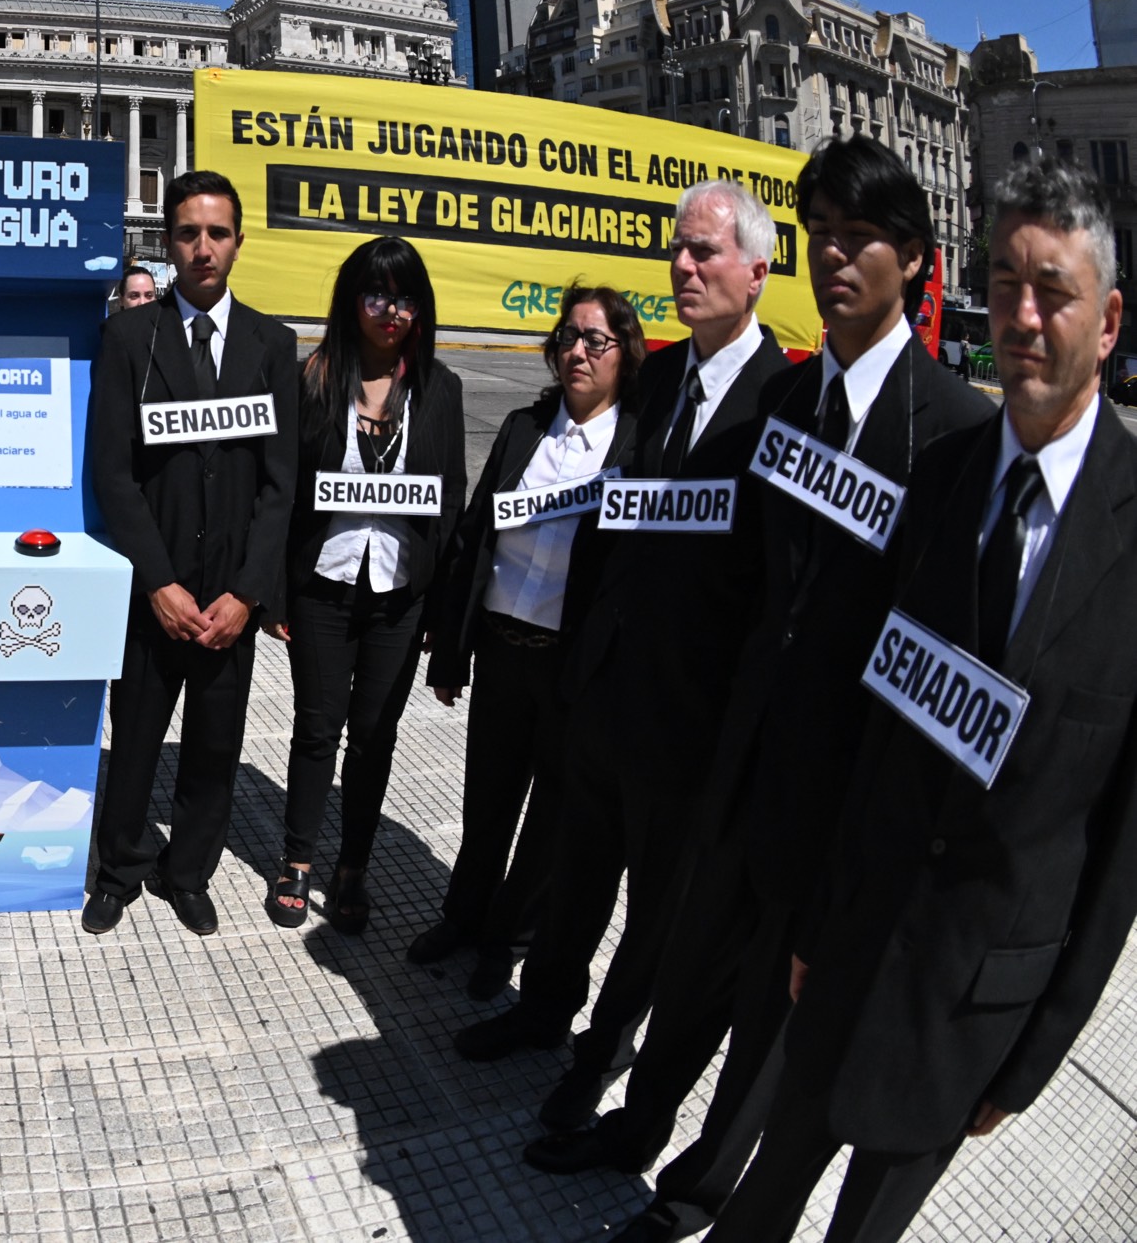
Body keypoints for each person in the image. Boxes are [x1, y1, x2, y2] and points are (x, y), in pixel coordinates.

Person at [529, 139, 995, 1233]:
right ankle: (636, 1120)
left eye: (861, 234)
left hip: (836, 793)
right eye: (820, 230)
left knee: (768, 1017)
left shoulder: (954, 431)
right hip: (735, 758)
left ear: (914, 258)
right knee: (688, 964)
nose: (835, 254)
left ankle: (699, 1185)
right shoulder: (787, 402)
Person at [696, 159, 1137, 1241]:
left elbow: (1121, 843)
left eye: (1053, 290)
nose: (1023, 318)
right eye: (1004, 281)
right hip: (845, 941)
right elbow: (869, 729)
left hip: (972, 1001)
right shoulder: (938, 476)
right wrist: (814, 913)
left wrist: (1031, 1052)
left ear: (1109, 317)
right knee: (762, 1195)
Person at [456, 180, 788, 1133]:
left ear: (757, 271)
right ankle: (541, 1010)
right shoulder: (659, 382)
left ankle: (599, 1061)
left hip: (692, 718)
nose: (683, 267)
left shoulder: (785, 399)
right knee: (572, 879)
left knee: (654, 917)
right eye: (677, 251)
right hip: (603, 693)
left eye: (705, 253)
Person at [411, 284, 643, 997]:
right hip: (506, 648)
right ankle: (464, 914)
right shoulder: (522, 427)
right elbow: (476, 535)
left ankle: (507, 937)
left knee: (549, 822)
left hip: (575, 669)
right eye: (569, 336)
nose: (578, 351)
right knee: (488, 801)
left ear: (623, 352)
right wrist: (451, 650)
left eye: (595, 340)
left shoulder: (636, 444)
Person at [84, 171, 299, 936]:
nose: (202, 247)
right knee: (136, 737)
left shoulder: (273, 346)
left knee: (215, 743)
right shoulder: (128, 338)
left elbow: (282, 484)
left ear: (238, 241)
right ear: (167, 242)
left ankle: (190, 871)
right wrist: (158, 581)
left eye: (216, 233)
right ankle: (119, 868)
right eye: (188, 233)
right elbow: (113, 471)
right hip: (159, 588)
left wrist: (249, 592)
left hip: (229, 593)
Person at [274, 236, 465, 933]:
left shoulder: (441, 390)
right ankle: (297, 859)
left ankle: (353, 867)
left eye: (406, 298)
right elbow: (283, 490)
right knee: (317, 727)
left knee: (376, 735)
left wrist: (443, 611)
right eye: (378, 295)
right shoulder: (315, 378)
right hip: (322, 585)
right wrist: (273, 591)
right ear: (352, 301)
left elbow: (450, 507)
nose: (391, 311)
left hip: (400, 595)